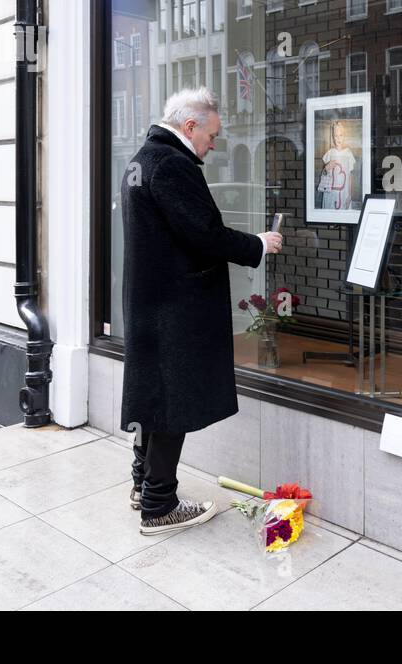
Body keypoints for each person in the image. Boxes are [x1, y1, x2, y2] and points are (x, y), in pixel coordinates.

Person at [120, 86, 283, 535]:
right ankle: (159, 506)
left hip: (149, 303)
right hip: (175, 307)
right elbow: (204, 233)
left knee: (154, 397)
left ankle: (143, 486)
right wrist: (258, 245)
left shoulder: (140, 160)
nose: (213, 145)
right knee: (172, 403)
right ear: (189, 126)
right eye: (212, 136)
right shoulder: (172, 164)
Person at [318, 119, 357, 212]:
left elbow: (350, 176)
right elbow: (324, 175)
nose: (338, 138)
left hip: (344, 194)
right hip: (331, 194)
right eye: (336, 136)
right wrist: (326, 168)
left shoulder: (348, 153)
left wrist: (350, 195)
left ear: (344, 136)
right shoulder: (330, 153)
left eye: (341, 135)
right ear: (333, 137)